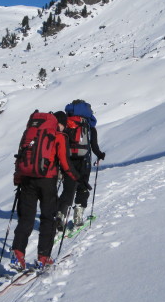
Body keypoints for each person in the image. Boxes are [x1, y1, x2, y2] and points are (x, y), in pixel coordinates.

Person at [11, 111, 91, 270]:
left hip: (27, 180)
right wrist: (78, 179)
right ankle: (43, 257)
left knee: (26, 218)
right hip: (47, 182)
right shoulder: (59, 136)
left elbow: (21, 156)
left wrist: (18, 178)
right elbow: (65, 164)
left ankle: (18, 253)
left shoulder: (31, 133)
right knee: (48, 218)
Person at [56, 100, 105, 228]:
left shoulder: (67, 124)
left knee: (68, 189)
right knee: (82, 187)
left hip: (68, 161)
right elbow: (94, 146)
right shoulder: (89, 126)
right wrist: (100, 155)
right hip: (84, 161)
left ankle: (60, 215)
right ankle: (78, 216)